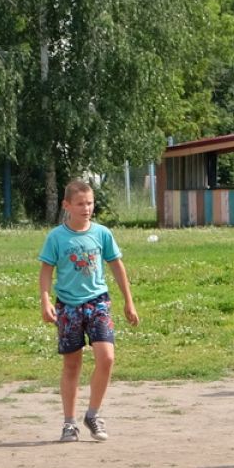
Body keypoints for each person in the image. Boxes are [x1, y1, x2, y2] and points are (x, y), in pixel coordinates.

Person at [38, 179, 140, 442]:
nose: (86, 208)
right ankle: (69, 423)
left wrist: (129, 301)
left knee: (106, 357)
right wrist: (45, 300)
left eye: (90, 203)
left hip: (98, 303)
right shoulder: (56, 237)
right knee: (72, 364)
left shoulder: (102, 233)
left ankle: (93, 414)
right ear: (67, 205)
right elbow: (46, 271)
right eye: (81, 203)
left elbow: (117, 267)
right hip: (69, 306)